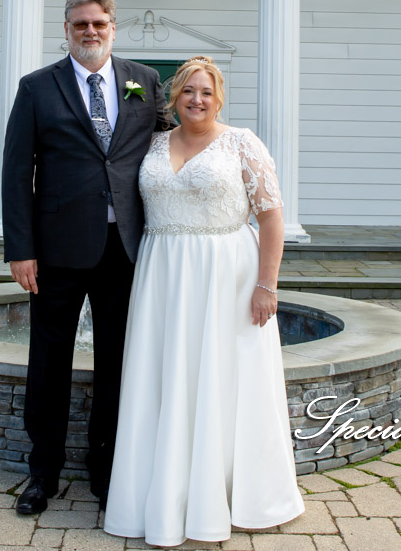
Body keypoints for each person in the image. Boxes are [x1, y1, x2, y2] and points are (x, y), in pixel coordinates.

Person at [103, 56, 305, 546]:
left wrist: (267, 285)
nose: (197, 99)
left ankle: (229, 495)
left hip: (225, 275)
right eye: (189, 91)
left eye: (207, 92)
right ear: (174, 97)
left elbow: (272, 218)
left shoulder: (242, 142)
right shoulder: (153, 143)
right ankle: (163, 497)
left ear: (219, 99)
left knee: (223, 378)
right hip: (162, 273)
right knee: (162, 378)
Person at [1, 0, 164, 515]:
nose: (90, 32)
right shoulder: (36, 87)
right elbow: (16, 172)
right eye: (80, 25)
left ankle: (107, 469)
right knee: (48, 362)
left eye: (98, 23)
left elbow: (172, 143)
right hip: (56, 250)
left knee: (118, 362)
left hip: (126, 249)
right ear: (66, 30)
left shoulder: (145, 81)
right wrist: (20, 249)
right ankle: (42, 472)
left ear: (113, 27)